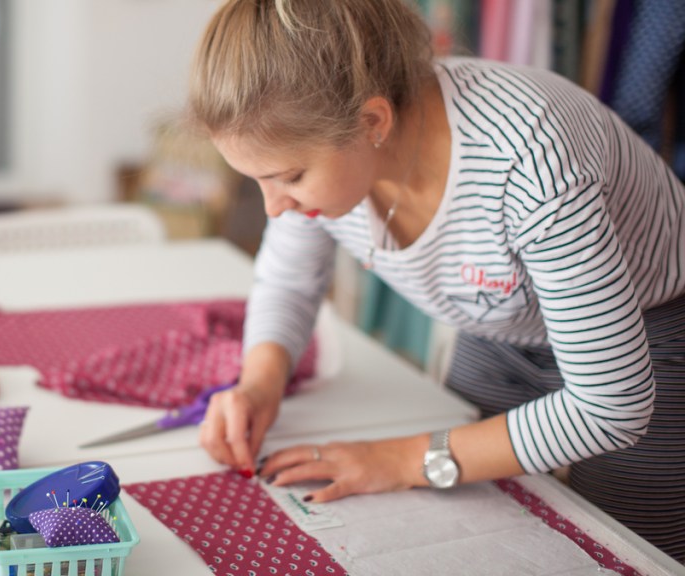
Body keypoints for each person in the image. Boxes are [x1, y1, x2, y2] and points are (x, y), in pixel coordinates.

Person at [190, 0, 685, 562]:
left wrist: (399, 460)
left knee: (634, 550)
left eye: (290, 178)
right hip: (500, 329)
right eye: (256, 180)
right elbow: (288, 280)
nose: (273, 207)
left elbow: (611, 406)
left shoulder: (531, 157)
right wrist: (260, 382)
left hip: (654, 331)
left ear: (373, 122)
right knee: (483, 529)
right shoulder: (334, 149)